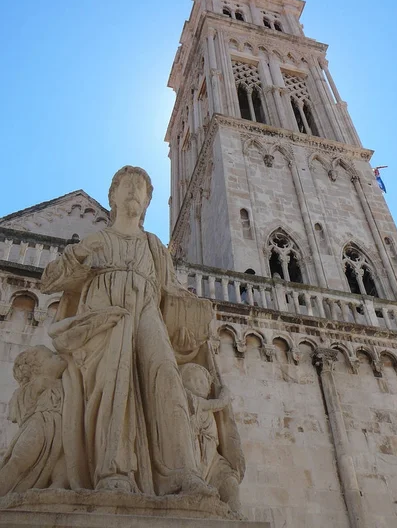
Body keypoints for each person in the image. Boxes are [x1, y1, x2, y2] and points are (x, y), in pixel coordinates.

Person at [41, 166, 214, 497]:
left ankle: (184, 473)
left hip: (147, 313)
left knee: (166, 376)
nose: (135, 192)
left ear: (148, 203)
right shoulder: (98, 240)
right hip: (104, 318)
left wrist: (194, 308)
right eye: (128, 186)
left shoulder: (153, 246)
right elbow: (50, 280)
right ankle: (113, 470)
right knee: (113, 380)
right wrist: (78, 255)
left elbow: (172, 291)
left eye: (142, 189)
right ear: (113, 196)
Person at [0, 346, 67, 496]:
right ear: (36, 370)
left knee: (62, 461)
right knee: (20, 460)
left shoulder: (63, 383)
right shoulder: (33, 386)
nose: (57, 357)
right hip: (37, 428)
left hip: (59, 430)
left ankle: (58, 484)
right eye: (50, 357)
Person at [180, 363, 242, 514]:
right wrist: (225, 393)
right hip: (194, 459)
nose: (197, 384)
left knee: (230, 483)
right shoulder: (192, 402)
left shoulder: (206, 407)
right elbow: (220, 403)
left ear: (208, 388)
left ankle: (236, 515)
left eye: (202, 381)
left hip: (214, 462)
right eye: (191, 380)